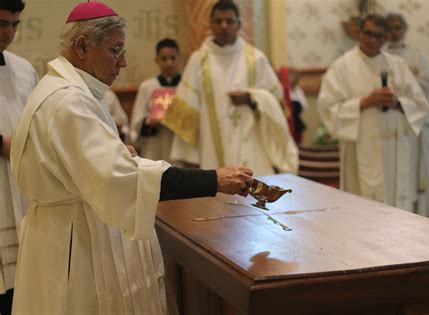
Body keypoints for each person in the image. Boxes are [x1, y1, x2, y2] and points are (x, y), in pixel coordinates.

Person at [9, 2, 253, 314]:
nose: (123, 62)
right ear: (82, 46)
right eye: (116, 50)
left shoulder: (63, 89)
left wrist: (116, 154)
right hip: (73, 246)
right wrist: (215, 180)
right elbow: (124, 180)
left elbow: (76, 162)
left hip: (61, 232)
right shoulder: (69, 100)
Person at [163, 1, 298, 176]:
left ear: (239, 24)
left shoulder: (256, 59)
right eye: (218, 21)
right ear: (210, 24)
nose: (224, 26)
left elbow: (277, 104)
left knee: (252, 195)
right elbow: (187, 111)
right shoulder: (199, 60)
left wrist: (252, 98)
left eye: (229, 21)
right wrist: (189, 156)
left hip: (251, 143)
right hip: (211, 146)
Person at [317, 14, 429, 212]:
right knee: (361, 207)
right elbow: (327, 107)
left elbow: (420, 104)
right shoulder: (342, 66)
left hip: (393, 149)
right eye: (368, 34)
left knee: (396, 207)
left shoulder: (397, 65)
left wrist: (398, 102)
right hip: (360, 147)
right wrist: (365, 102)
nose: (372, 40)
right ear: (358, 33)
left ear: (386, 38)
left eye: (379, 36)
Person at [0, 0, 38, 313]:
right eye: (1, 23)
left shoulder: (24, 69)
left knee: (21, 287)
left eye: (14, 24)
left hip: (18, 183)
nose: (9, 32)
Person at [385, 12, 429, 217]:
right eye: (390, 28)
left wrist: (401, 89)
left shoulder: (417, 56)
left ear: (405, 30)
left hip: (417, 124)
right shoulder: (380, 57)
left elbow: (426, 87)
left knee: (419, 172)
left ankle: (422, 215)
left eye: (398, 28)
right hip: (392, 123)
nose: (394, 32)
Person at [130, 38, 181, 161]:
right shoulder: (147, 87)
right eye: (164, 59)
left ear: (179, 59)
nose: (168, 63)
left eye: (173, 58)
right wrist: (149, 123)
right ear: (157, 60)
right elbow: (137, 122)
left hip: (179, 146)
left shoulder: (187, 86)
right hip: (155, 146)